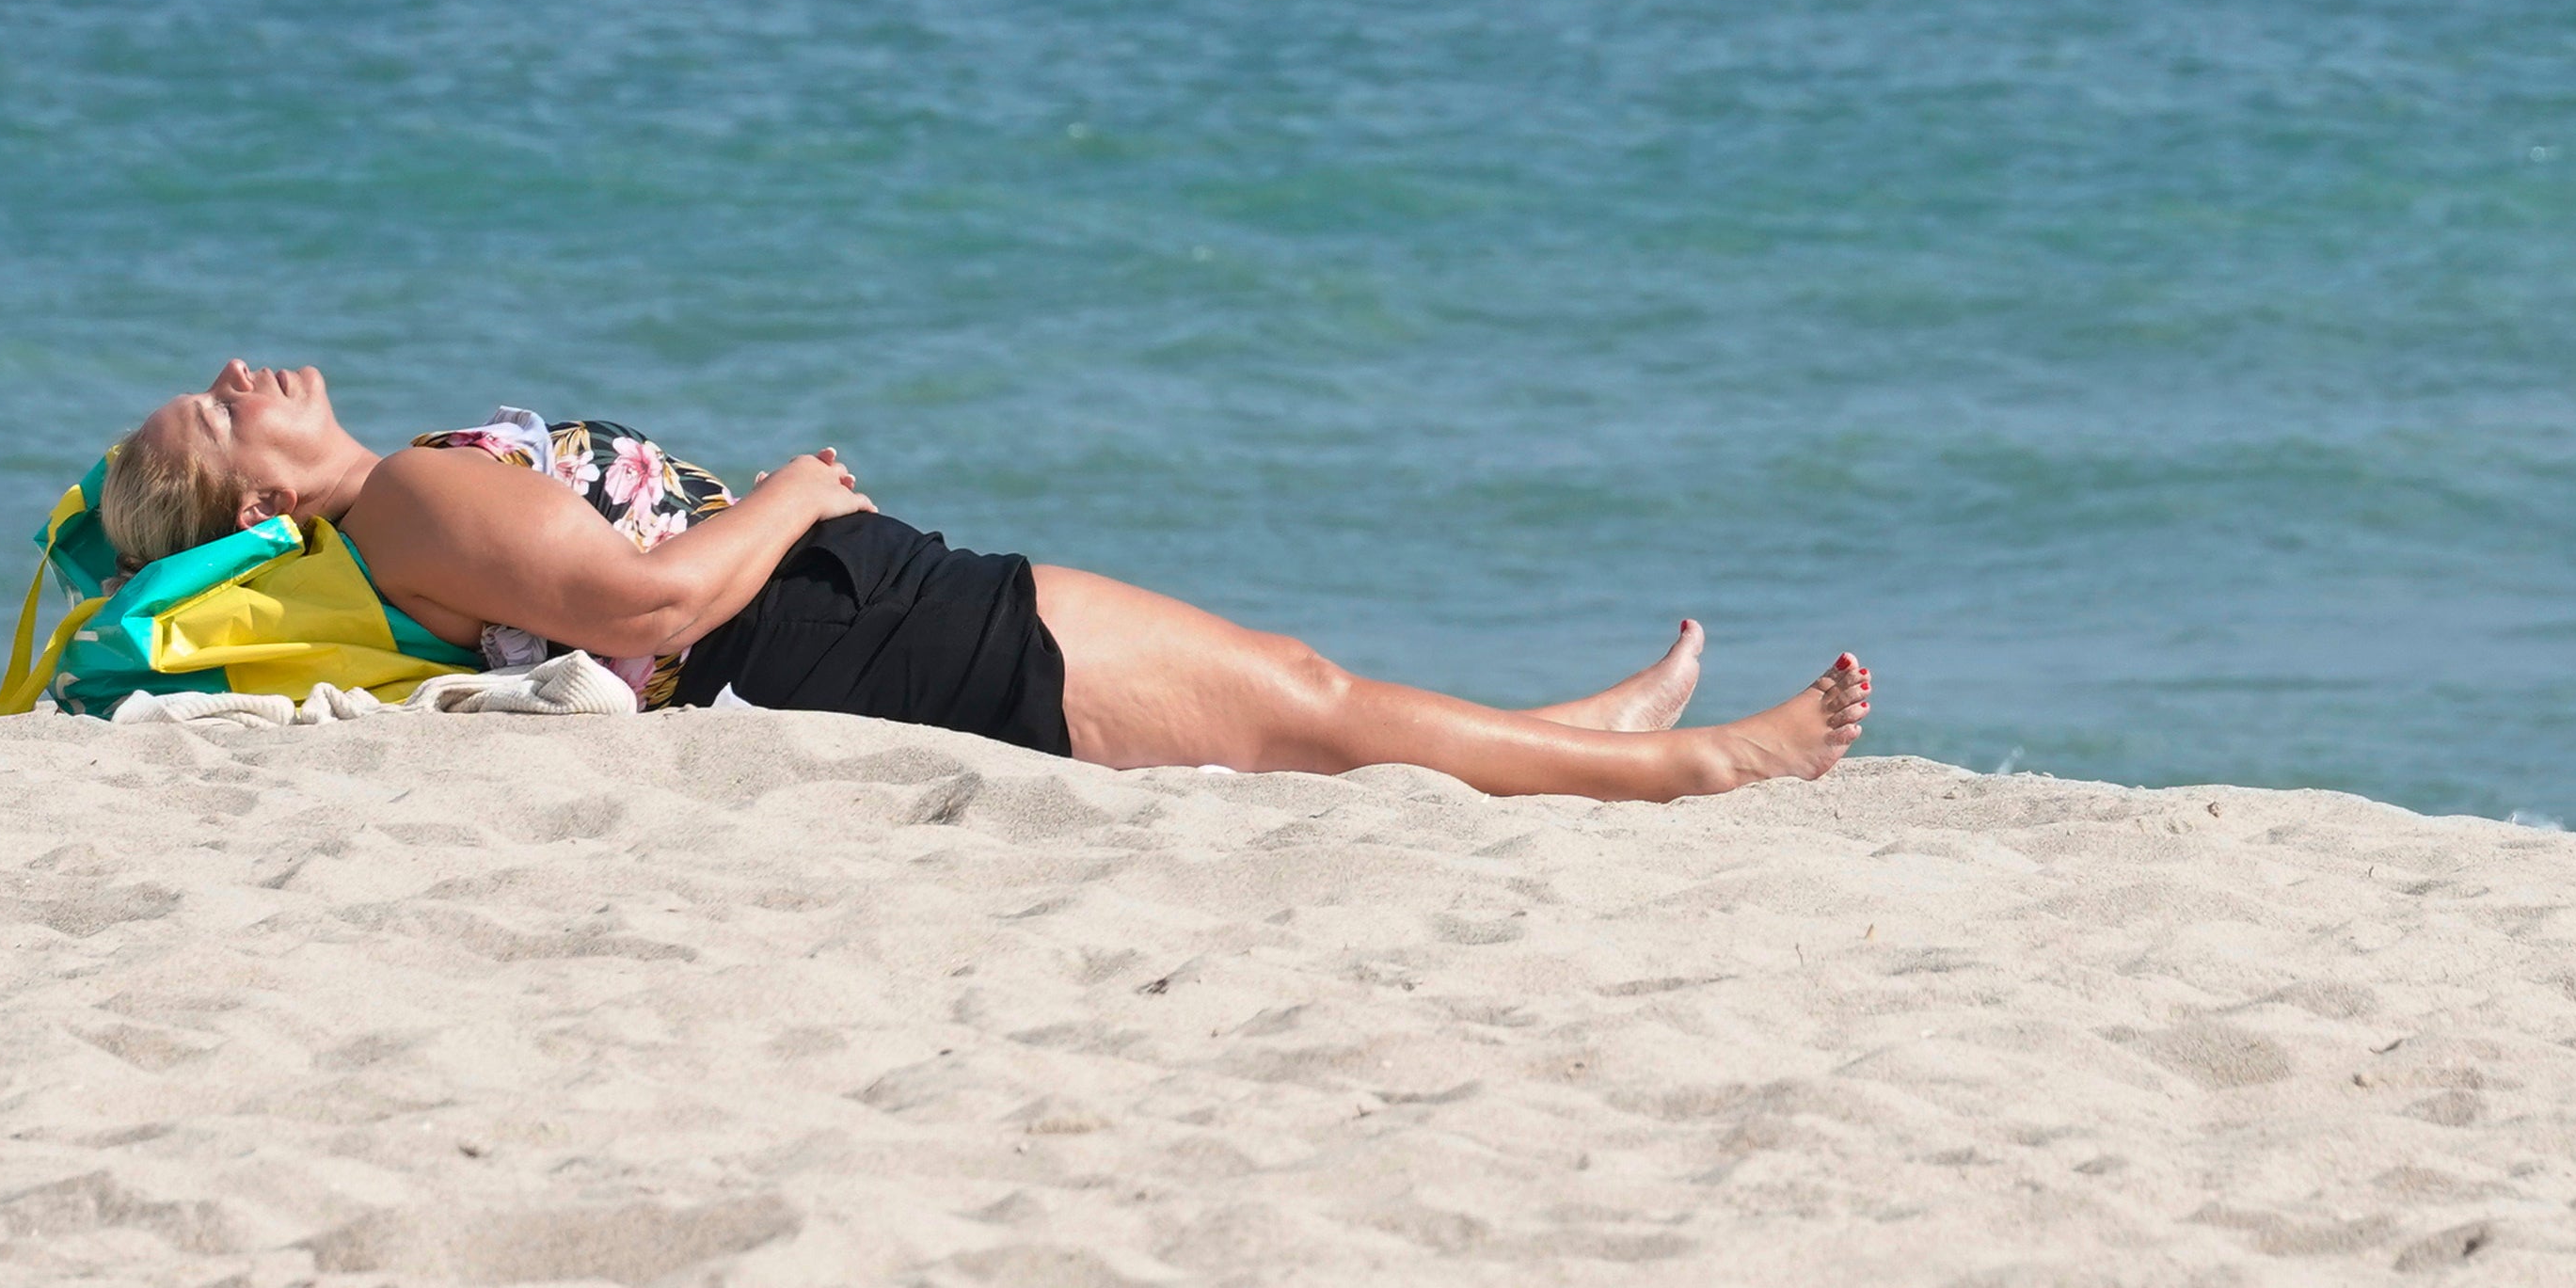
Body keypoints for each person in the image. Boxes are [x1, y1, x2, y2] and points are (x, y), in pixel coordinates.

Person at [100, 359, 1871, 802]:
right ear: (243, 493)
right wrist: (793, 491)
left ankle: (1573, 730)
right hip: (852, 628)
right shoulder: (406, 497)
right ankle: (1700, 765)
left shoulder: (408, 495)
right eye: (219, 402)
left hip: (853, 618)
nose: (252, 367)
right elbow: (646, 609)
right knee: (1297, 708)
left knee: (1287, 697)